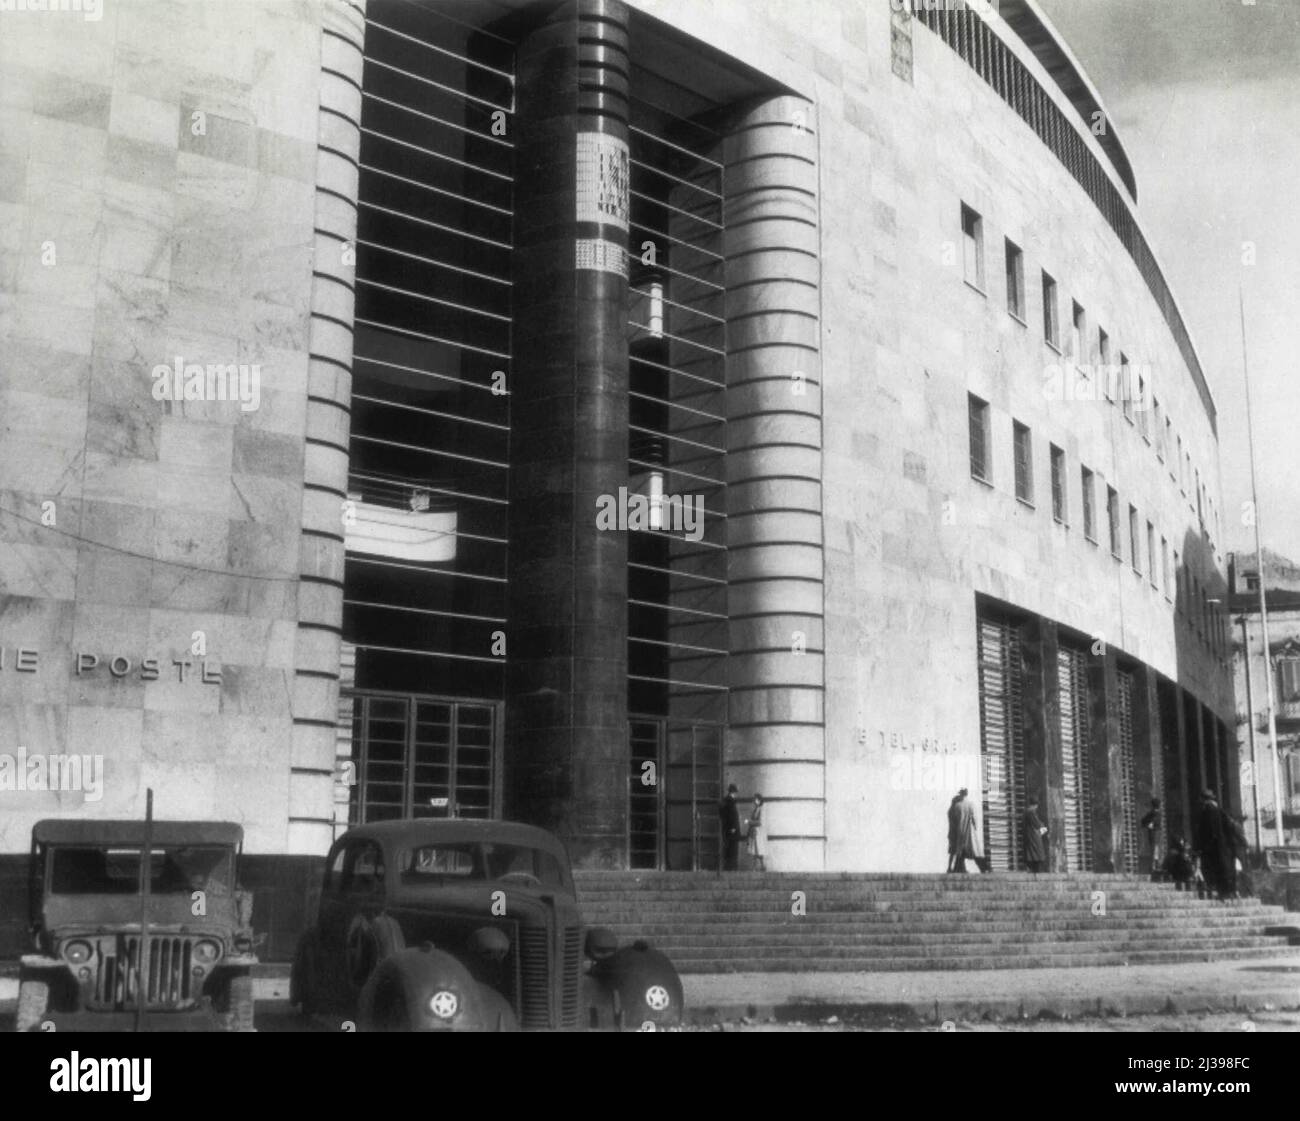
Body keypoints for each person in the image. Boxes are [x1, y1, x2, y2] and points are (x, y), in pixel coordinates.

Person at [1195, 789, 1235, 900]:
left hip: (1212, 846)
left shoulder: (1209, 810)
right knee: (1221, 867)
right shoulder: (1219, 810)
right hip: (1220, 845)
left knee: (1212, 868)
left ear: (1204, 799)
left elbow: (1210, 830)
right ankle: (1225, 891)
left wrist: (1204, 845)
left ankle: (1219, 891)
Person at [951, 788, 990, 873]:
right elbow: (975, 819)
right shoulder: (971, 804)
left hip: (961, 829)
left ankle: (958, 868)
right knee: (975, 850)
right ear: (967, 794)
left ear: (960, 794)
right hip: (970, 831)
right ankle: (984, 868)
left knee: (961, 850)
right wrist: (976, 828)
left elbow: (956, 819)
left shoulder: (957, 806)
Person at [1021, 797, 1047, 873]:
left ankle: (1032, 869)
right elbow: (1036, 823)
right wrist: (1042, 825)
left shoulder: (1026, 811)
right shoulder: (1031, 812)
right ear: (1035, 805)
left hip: (1029, 835)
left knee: (1032, 853)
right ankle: (1035, 870)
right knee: (1037, 853)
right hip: (1033, 836)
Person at [719, 784, 741, 871]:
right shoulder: (730, 801)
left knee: (727, 848)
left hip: (726, 828)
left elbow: (722, 814)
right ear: (734, 792)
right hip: (732, 830)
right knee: (733, 849)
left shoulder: (724, 801)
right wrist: (733, 827)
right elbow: (732, 815)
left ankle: (728, 867)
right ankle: (732, 867)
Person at [1139, 798, 1162, 878]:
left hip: (1153, 834)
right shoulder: (1156, 814)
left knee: (1154, 850)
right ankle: (1154, 866)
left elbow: (1143, 821)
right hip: (1155, 834)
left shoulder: (1153, 814)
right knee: (1155, 850)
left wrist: (1148, 824)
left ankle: (1153, 867)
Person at [746, 794, 766, 872]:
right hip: (755, 832)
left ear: (759, 800)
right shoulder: (756, 809)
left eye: (755, 799)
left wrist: (749, 822)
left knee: (757, 850)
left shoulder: (761, 809)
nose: (754, 801)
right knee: (756, 850)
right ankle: (761, 866)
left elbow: (760, 822)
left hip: (758, 832)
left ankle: (757, 867)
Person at [946, 793, 963, 872]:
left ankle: (951, 867)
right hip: (955, 833)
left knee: (953, 852)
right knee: (956, 852)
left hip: (951, 833)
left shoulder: (950, 811)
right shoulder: (954, 811)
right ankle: (952, 868)